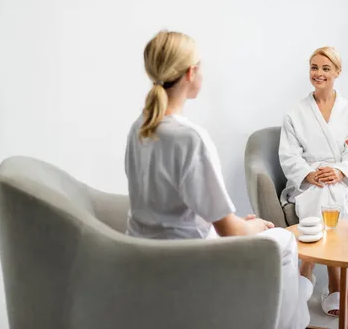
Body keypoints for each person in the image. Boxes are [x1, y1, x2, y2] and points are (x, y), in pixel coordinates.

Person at [124, 30, 314, 329]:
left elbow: (183, 209)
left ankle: (296, 304)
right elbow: (229, 233)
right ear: (190, 73)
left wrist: (242, 225)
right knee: (285, 240)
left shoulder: (140, 128)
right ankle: (291, 318)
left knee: (267, 240)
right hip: (192, 261)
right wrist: (253, 226)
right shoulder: (189, 138)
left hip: (144, 256)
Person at [278, 46, 348, 317]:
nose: (319, 73)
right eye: (314, 67)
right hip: (309, 178)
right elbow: (288, 154)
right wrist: (308, 174)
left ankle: (310, 274)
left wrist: (340, 172)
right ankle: (314, 271)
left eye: (326, 68)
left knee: (334, 193)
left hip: (341, 177)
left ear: (337, 72)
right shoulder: (295, 112)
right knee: (320, 194)